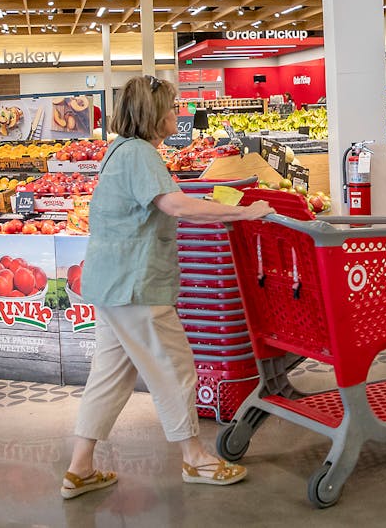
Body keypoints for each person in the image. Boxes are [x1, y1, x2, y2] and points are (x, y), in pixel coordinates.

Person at [63, 75, 274, 499]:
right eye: (172, 107)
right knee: (174, 369)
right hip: (136, 287)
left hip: (109, 285)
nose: (177, 115)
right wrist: (244, 213)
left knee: (108, 377)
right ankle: (195, 457)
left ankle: (79, 468)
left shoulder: (116, 151)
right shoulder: (141, 154)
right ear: (152, 114)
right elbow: (173, 205)